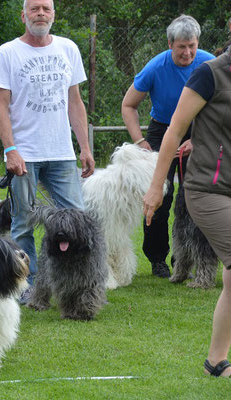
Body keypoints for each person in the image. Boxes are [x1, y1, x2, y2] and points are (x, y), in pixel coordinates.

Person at [0, 0, 94, 304]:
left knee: (78, 219)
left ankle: (77, 283)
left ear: (54, 15)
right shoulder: (8, 52)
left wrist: (84, 147)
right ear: (23, 15)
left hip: (62, 152)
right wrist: (10, 149)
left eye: (46, 9)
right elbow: (1, 104)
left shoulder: (68, 48)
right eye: (34, 9)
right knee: (22, 222)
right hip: (25, 153)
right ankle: (31, 286)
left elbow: (75, 101)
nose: (40, 14)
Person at [143, 46, 231, 378]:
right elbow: (174, 130)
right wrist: (156, 187)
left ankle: (216, 360)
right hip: (209, 190)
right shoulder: (209, 73)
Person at [122, 15, 214, 278]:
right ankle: (157, 258)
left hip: (200, 129)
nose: (187, 52)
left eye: (192, 46)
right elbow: (128, 106)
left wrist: (197, 139)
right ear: (170, 44)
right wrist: (140, 142)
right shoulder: (155, 67)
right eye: (181, 47)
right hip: (161, 128)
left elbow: (221, 109)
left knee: (194, 195)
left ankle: (186, 257)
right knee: (159, 195)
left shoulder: (209, 63)